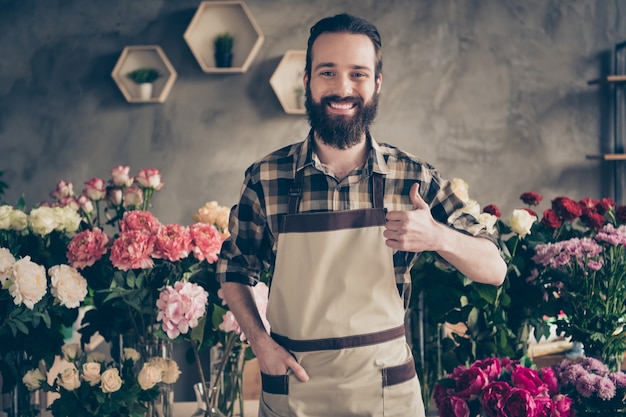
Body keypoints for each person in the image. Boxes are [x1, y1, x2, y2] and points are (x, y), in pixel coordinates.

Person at [216, 13, 507, 417]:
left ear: (376, 83)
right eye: (328, 72)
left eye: (357, 73)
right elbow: (234, 271)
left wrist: (437, 236)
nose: (342, 88)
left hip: (386, 393)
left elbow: (494, 268)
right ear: (307, 80)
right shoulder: (268, 178)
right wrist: (260, 344)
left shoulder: (413, 178)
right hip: (294, 391)